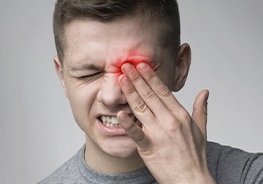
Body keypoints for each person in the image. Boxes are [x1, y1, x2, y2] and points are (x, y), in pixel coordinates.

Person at [39, 0, 263, 183]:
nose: (111, 96)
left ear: (179, 67)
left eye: (136, 70)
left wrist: (191, 179)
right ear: (62, 76)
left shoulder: (250, 175)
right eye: (88, 74)